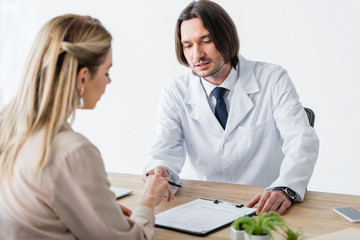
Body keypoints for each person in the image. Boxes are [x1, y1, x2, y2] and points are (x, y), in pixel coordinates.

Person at [0, 14, 174, 239]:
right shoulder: (72, 152)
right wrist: (148, 199)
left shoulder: (7, 125)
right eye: (106, 72)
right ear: (82, 78)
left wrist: (99, 213)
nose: (108, 81)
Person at [143, 0, 319, 215]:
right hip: (202, 205)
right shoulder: (175, 91)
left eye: (205, 41)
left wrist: (286, 187)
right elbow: (163, 148)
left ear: (226, 37)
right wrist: (160, 169)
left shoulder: (272, 78)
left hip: (262, 204)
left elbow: (301, 139)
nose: (196, 55)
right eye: (187, 45)